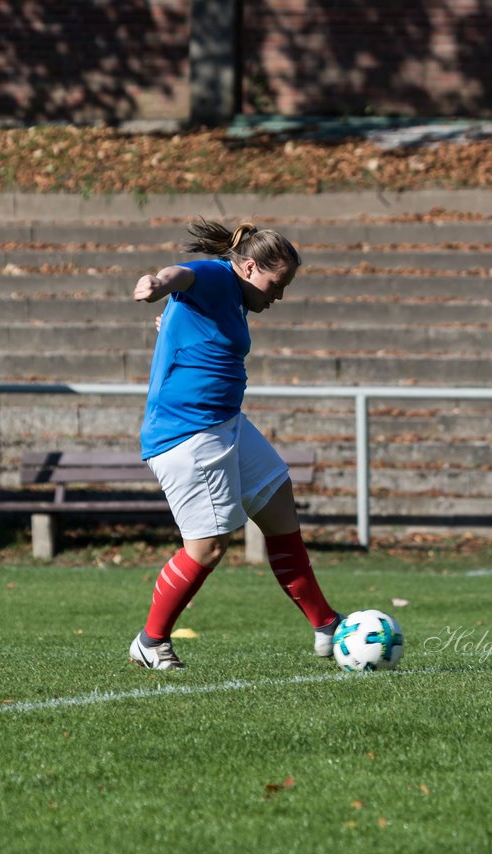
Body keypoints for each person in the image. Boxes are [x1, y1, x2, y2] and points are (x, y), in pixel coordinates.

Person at [128, 218, 341, 670]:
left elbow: (198, 334)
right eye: (275, 283)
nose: (279, 294)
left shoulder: (237, 299)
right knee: (207, 547)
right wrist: (156, 283)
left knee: (278, 503)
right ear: (247, 267)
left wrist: (170, 325)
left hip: (226, 425)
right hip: (188, 434)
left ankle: (326, 627)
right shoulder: (215, 274)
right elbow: (180, 275)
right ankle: (150, 641)